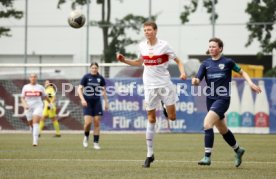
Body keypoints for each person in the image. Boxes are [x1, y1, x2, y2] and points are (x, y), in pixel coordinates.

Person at [116, 21, 186, 168]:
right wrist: (124, 60)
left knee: (172, 118)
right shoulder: (142, 46)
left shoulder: (164, 45)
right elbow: (138, 62)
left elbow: (178, 61)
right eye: (145, 30)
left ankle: (165, 107)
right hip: (149, 87)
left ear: (155, 31)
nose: (147, 32)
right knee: (151, 118)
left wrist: (182, 72)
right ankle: (149, 154)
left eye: (149, 30)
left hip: (165, 85)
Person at [192, 37, 262, 167]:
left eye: (214, 46)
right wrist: (195, 81)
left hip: (223, 99)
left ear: (220, 49)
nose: (211, 48)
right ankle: (238, 150)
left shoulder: (228, 62)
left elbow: (242, 72)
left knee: (207, 124)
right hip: (210, 100)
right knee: (223, 129)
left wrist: (251, 83)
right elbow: (198, 79)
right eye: (210, 46)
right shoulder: (205, 64)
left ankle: (207, 157)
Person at [77, 62, 108, 150]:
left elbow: (103, 91)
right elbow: (79, 89)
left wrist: (106, 102)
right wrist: (82, 99)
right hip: (87, 102)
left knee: (97, 122)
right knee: (87, 123)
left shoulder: (100, 78)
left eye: (96, 68)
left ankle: (96, 143)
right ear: (90, 68)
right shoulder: (86, 77)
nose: (94, 69)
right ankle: (86, 137)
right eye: (93, 68)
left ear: (98, 69)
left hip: (97, 102)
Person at [21, 73, 51, 146]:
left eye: (34, 77)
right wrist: (25, 104)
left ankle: (35, 141)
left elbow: (46, 97)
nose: (33, 78)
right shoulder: (25, 87)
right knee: (31, 124)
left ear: (37, 78)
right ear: (29, 78)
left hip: (38, 106)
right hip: (29, 107)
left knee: (36, 123)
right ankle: (32, 131)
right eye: (31, 77)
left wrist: (50, 104)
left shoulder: (40, 87)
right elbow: (22, 98)